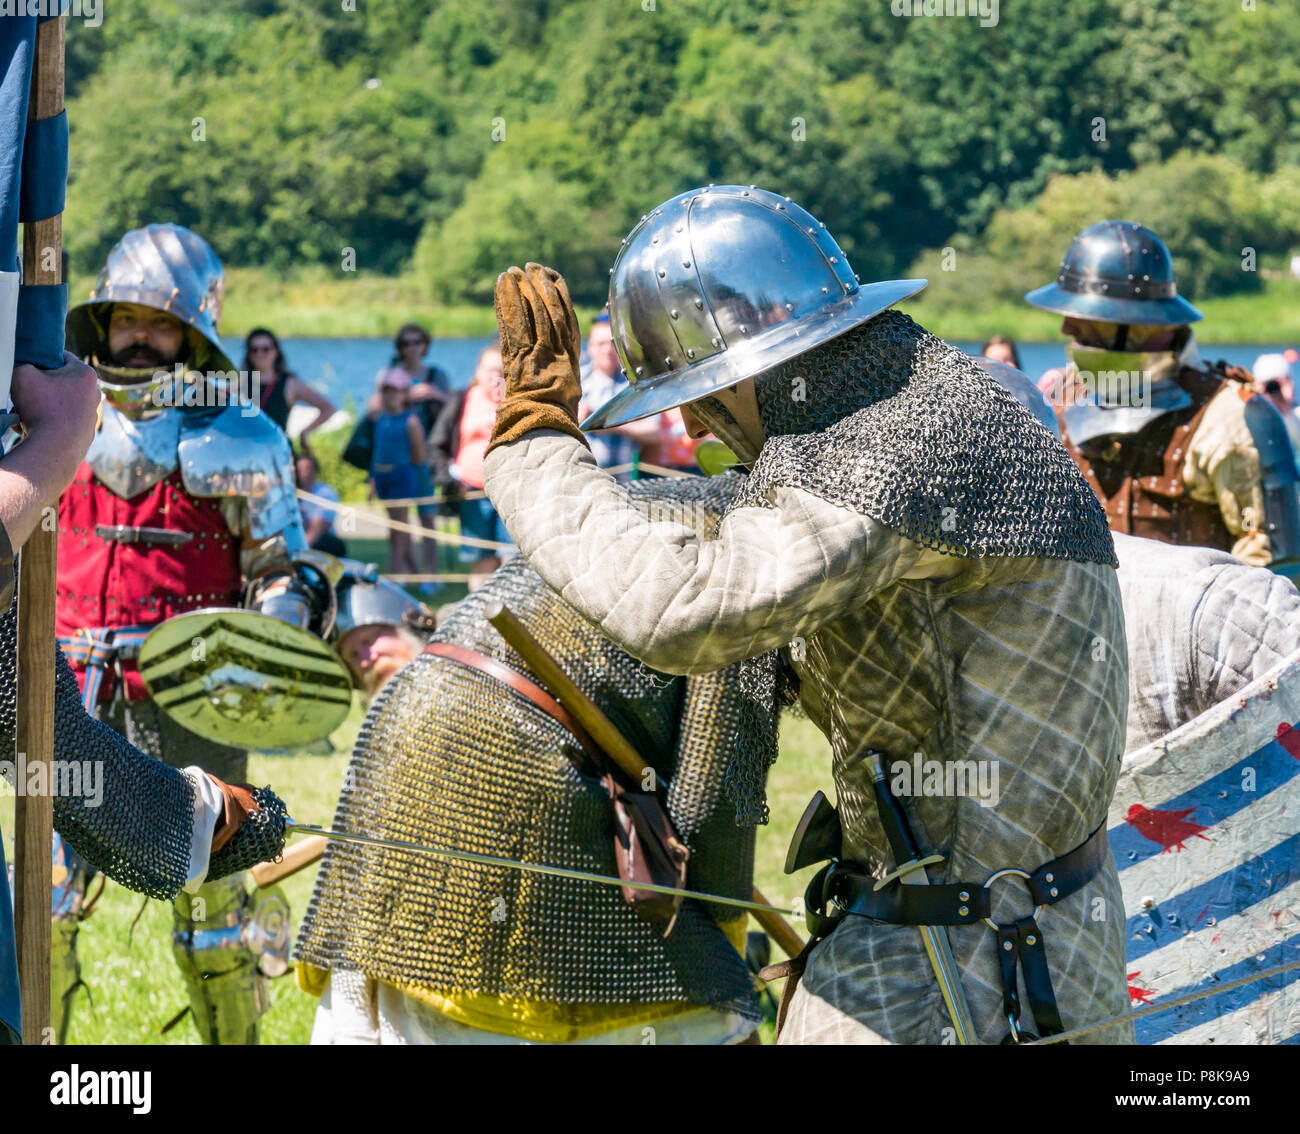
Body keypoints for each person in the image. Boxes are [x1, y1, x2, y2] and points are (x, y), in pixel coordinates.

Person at [482, 186, 1131, 1045]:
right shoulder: (943, 413)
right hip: (1040, 942)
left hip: (955, 969)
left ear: (771, 368)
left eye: (708, 393)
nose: (689, 419)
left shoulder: (908, 445)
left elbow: (687, 611)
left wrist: (534, 448)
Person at [296, 474, 766, 1044]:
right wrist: (724, 966)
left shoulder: (634, 500)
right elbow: (710, 805)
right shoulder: (752, 558)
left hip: (404, 720)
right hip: (517, 764)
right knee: (682, 1009)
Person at [55, 223, 313, 1045]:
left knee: (213, 921)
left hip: (198, 702)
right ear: (101, 323)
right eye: (124, 316)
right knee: (49, 904)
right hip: (70, 701)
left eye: (157, 322)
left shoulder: (242, 437)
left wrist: (258, 660)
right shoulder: (53, 423)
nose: (137, 334)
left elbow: (286, 571)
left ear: (193, 333)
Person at [1026, 221, 1300, 570]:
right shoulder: (1066, 395)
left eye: (1086, 314)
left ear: (1136, 323)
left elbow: (1277, 569)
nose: (1067, 327)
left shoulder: (1235, 417)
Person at [430, 343, 514, 591]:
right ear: (478, 371)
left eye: (500, 370)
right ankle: (480, 617)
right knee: (480, 559)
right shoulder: (461, 399)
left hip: (511, 492)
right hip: (471, 494)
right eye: (489, 370)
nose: (494, 376)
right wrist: (448, 479)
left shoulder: (519, 401)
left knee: (513, 558)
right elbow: (435, 445)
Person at [369, 368, 426, 579]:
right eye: (386, 391)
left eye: (394, 391)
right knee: (398, 529)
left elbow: (419, 455)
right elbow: (377, 451)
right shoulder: (379, 419)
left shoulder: (410, 421)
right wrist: (373, 480)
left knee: (398, 530)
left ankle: (394, 574)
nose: (389, 395)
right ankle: (419, 576)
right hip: (383, 478)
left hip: (401, 477)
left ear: (404, 394)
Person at [242, 327, 336, 453]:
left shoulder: (290, 383)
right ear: (248, 353)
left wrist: (305, 432)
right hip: (247, 453)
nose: (260, 354)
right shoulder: (239, 382)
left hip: (278, 454)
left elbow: (328, 408)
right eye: (254, 350)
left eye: (266, 349)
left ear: (276, 351)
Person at [296, 452, 347, 558]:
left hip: (320, 544)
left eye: (307, 469)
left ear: (316, 471)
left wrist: (299, 553)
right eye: (300, 470)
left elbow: (318, 529)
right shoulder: (291, 495)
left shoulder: (326, 493)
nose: (304, 474)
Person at [1253, 352, 1300, 452]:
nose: (1274, 389)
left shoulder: (1297, 415)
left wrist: (1287, 411)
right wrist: (1258, 402)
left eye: (1278, 384)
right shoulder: (1251, 417)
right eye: (1269, 385)